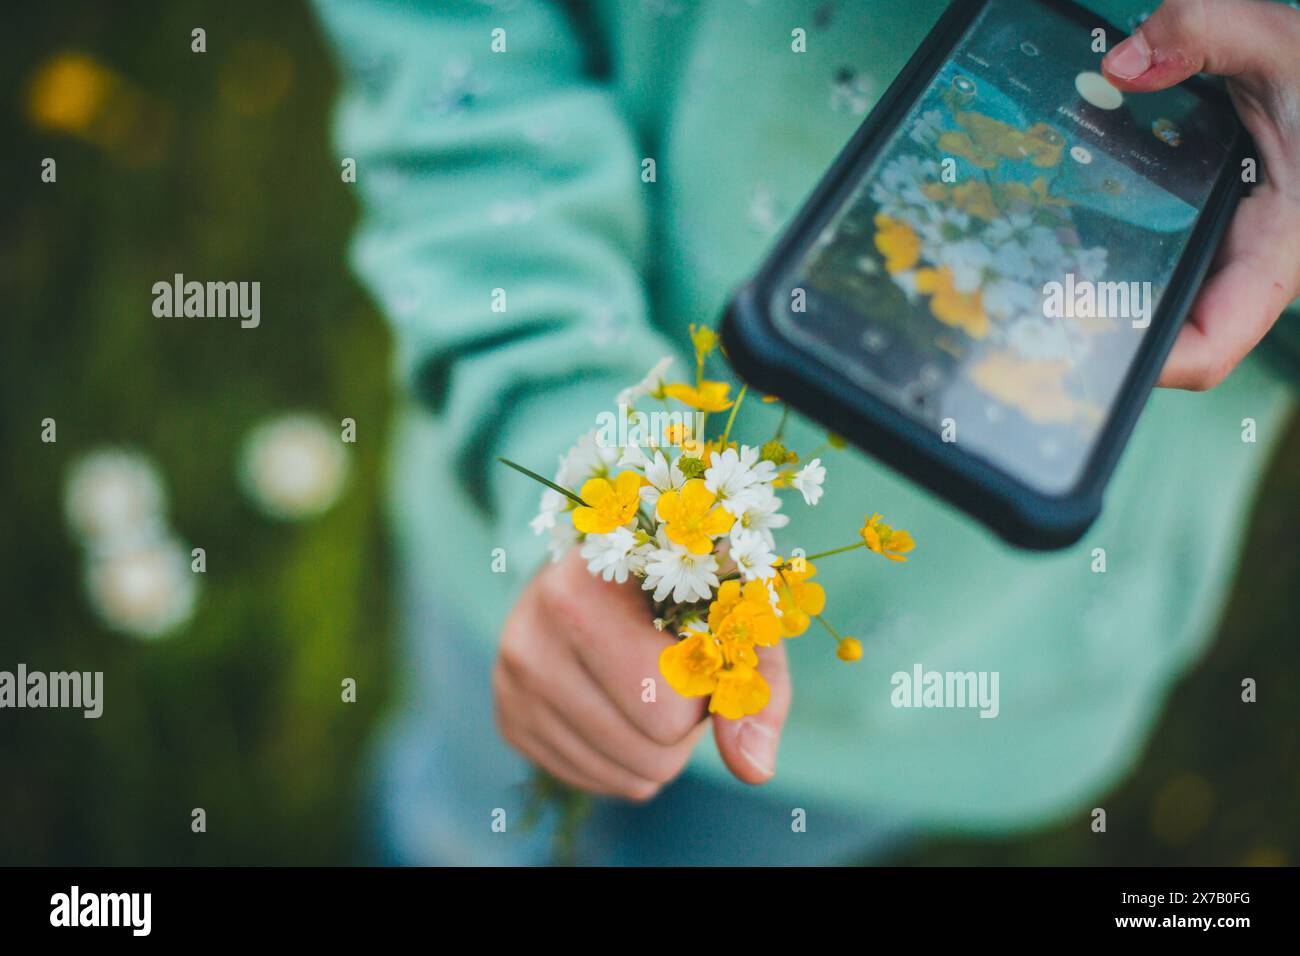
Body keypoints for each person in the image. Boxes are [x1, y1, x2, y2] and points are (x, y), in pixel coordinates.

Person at [312, 0, 1300, 865]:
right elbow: (450, 31)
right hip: (541, 551)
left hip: (958, 680)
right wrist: (556, 401)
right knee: (461, 831)